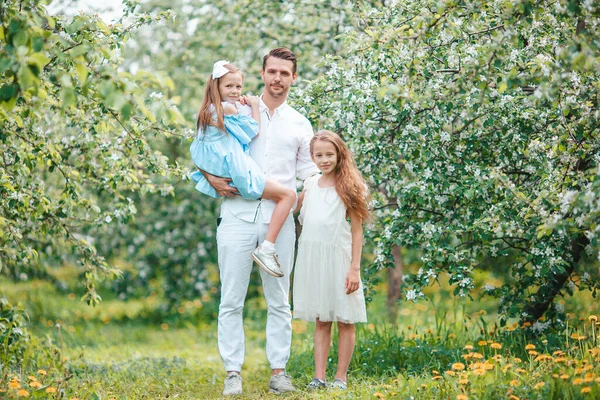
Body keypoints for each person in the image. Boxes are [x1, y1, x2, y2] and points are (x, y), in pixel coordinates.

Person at [198, 48, 319, 396]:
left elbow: (309, 175)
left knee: (279, 300)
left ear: (293, 78)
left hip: (278, 224)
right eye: (272, 72)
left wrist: (316, 210)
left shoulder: (300, 124)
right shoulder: (234, 110)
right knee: (231, 299)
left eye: (285, 73)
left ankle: (278, 372)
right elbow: (205, 145)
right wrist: (210, 178)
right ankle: (232, 372)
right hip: (236, 216)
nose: (278, 78)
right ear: (263, 73)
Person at [190, 60, 297, 278]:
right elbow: (251, 132)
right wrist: (255, 106)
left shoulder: (207, 112)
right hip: (240, 173)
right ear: (216, 87)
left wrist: (210, 175)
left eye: (238, 87)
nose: (235, 91)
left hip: (228, 173)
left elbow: (199, 152)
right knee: (289, 195)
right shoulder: (228, 109)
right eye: (229, 86)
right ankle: (267, 248)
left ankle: (267, 247)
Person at [293, 130, 370, 391]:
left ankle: (341, 377)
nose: (324, 159)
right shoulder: (310, 185)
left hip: (339, 258)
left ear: (339, 154)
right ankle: (319, 377)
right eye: (319, 155)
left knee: (345, 319)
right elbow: (295, 209)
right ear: (312, 157)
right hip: (314, 260)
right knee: (321, 319)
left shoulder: (349, 186)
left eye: (329, 154)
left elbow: (357, 230)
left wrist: (354, 269)